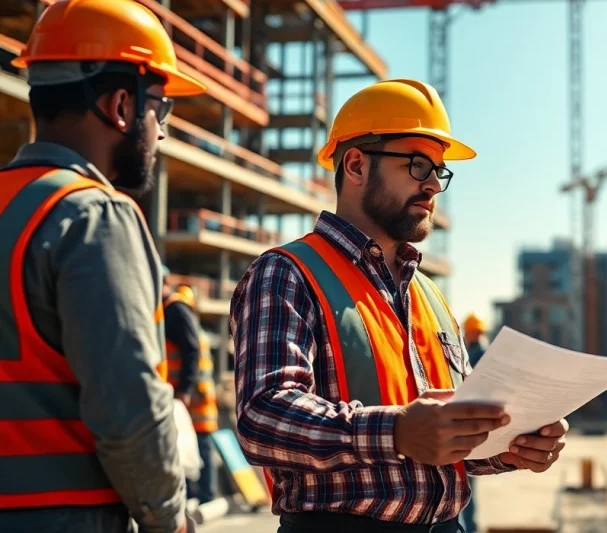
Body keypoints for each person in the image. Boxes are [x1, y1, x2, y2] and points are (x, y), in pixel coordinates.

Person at [230, 78, 569, 533]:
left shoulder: (428, 295)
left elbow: (448, 443)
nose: (433, 184)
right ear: (355, 165)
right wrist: (395, 432)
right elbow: (262, 416)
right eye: (416, 164)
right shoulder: (286, 273)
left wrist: (507, 448)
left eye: (438, 170)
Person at [0, 0, 206, 533]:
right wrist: (168, 517)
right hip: (64, 515)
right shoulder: (92, 215)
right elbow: (130, 407)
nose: (161, 131)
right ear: (120, 106)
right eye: (159, 109)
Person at [162, 276, 220, 505]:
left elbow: (191, 351)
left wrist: (184, 389)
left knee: (201, 441)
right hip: (192, 391)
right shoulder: (177, 310)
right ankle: (199, 494)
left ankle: (205, 496)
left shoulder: (175, 310)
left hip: (193, 393)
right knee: (192, 444)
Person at [457, 313, 491, 533]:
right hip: (467, 426)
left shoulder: (477, 355)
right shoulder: (475, 352)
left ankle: (470, 529)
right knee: (465, 487)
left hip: (470, 427)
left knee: (466, 488)